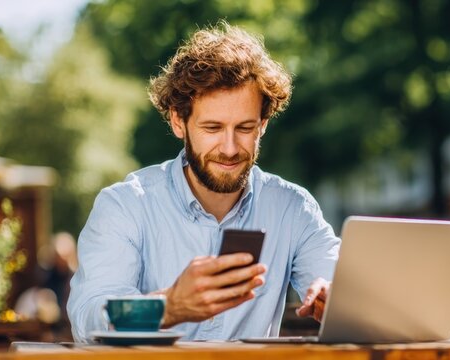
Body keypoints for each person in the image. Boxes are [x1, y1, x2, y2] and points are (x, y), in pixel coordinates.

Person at [67, 22, 340, 342]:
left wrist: (336, 300)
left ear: (263, 124)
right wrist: (169, 307)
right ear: (178, 121)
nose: (229, 148)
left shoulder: (292, 209)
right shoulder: (125, 206)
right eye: (212, 128)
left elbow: (341, 285)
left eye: (244, 128)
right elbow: (89, 320)